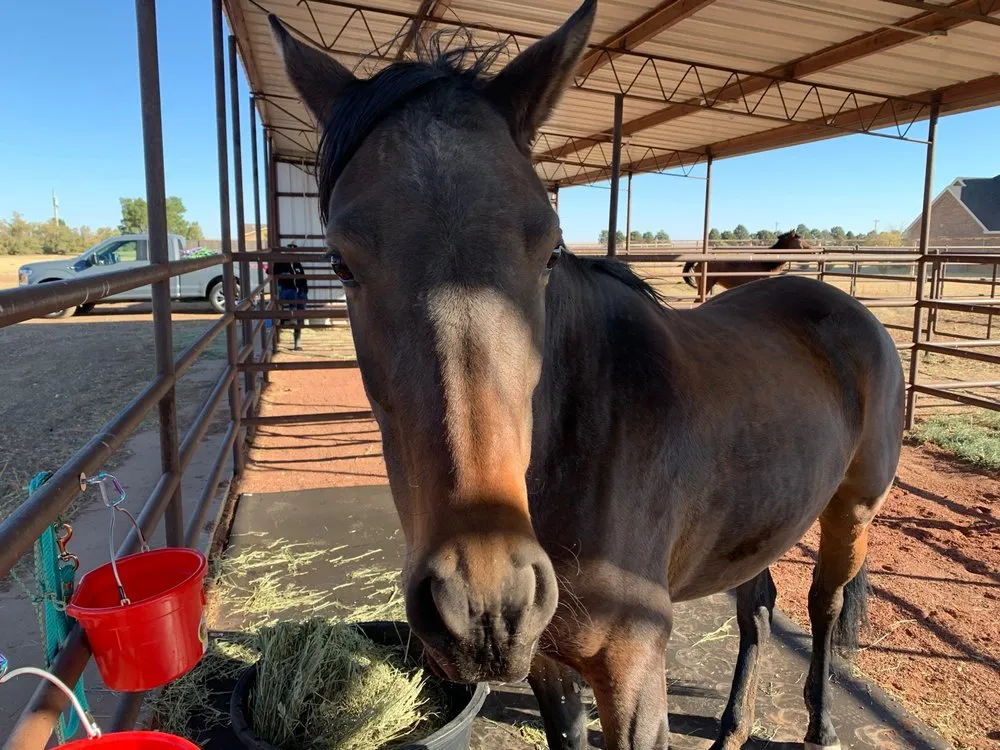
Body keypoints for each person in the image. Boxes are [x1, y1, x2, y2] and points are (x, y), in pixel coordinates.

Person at [272, 244, 308, 350]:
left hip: (299, 291)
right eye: (290, 251)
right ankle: (290, 314)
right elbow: (270, 271)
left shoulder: (297, 263)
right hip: (287, 290)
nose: (292, 253)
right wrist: (283, 274)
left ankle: (297, 341)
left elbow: (303, 278)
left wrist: (305, 290)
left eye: (294, 251)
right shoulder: (281, 262)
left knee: (300, 315)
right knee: (291, 296)